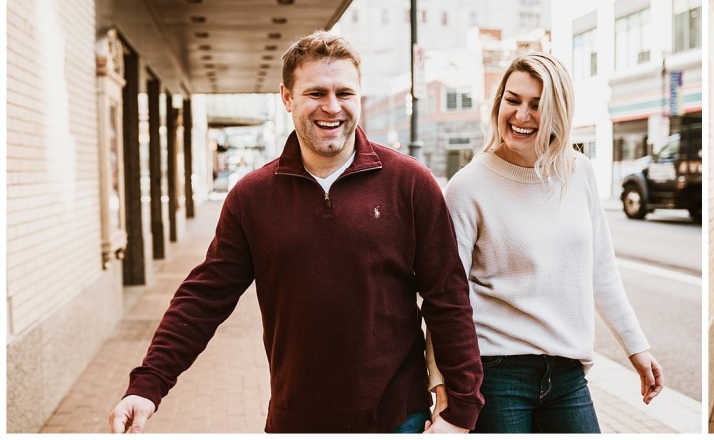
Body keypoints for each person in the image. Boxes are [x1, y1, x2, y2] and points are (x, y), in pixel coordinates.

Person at [107, 31, 483, 434]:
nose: (332, 107)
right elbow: (204, 297)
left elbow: (447, 297)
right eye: (316, 93)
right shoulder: (252, 197)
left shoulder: (409, 184)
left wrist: (460, 410)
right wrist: (147, 385)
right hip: (296, 420)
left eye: (345, 93)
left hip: (396, 417)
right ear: (286, 97)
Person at [440, 52, 663, 433]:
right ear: (498, 103)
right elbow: (446, 298)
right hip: (496, 373)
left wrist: (635, 347)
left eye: (537, 105)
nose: (521, 115)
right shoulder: (468, 186)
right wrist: (445, 388)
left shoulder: (579, 174)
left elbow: (601, 271)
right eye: (513, 100)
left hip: (567, 373)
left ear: (559, 112)